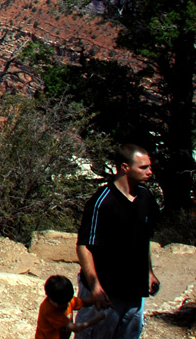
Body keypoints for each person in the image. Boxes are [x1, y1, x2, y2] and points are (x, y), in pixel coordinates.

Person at [74, 144, 159, 339]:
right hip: (106, 291)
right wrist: (95, 287)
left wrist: (149, 272)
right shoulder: (102, 202)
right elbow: (84, 246)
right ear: (125, 167)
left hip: (134, 291)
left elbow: (143, 238)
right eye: (143, 167)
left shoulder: (145, 197)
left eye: (149, 166)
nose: (150, 172)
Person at [34, 274, 104, 339]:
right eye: (60, 303)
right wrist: (97, 318)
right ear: (49, 297)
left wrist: (98, 300)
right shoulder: (49, 310)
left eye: (66, 302)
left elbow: (84, 303)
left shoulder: (67, 299)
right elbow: (76, 328)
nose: (65, 305)